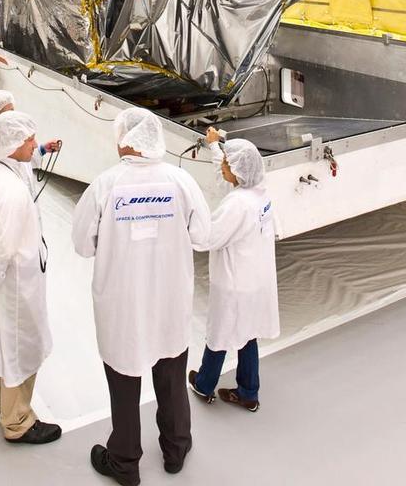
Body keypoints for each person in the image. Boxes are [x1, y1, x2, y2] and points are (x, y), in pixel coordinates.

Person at [72, 108, 211, 486]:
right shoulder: (181, 181)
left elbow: (82, 244)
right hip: (169, 300)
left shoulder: (105, 185)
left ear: (128, 139)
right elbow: (203, 237)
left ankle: (124, 462)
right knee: (171, 376)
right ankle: (176, 448)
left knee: (124, 382)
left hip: (123, 305)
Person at [0, 111, 61, 445]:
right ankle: (17, 421)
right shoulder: (12, 190)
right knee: (20, 347)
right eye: (30, 140)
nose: (34, 144)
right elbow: (3, 249)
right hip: (13, 282)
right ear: (14, 143)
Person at [188, 132, 280, 411]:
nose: (223, 166)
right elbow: (227, 175)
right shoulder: (259, 192)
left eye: (227, 163)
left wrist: (184, 221)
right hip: (256, 278)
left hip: (234, 282)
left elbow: (208, 238)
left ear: (238, 169)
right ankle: (249, 392)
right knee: (248, 333)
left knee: (220, 333)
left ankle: (204, 384)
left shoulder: (237, 205)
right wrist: (215, 145)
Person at [0, 90, 62, 189]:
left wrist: (42, 149)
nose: (12, 116)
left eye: (12, 111)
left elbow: (18, 162)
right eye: (8, 112)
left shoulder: (5, 136)